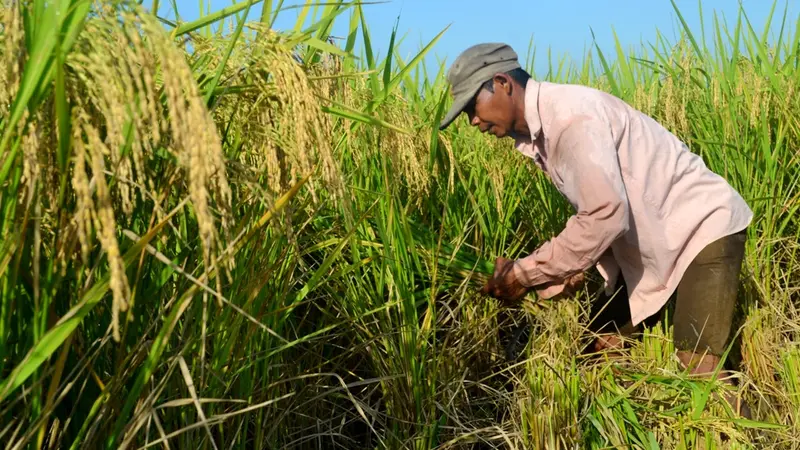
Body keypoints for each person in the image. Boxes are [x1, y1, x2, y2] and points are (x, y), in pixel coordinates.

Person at [439, 43, 753, 417]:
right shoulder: (544, 134)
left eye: (472, 107)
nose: (472, 121)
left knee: (697, 367)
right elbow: (603, 212)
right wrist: (570, 268)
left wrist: (525, 273)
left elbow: (606, 215)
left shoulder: (571, 120)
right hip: (653, 242)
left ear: (503, 82)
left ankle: (763, 435)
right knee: (599, 347)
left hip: (702, 227)